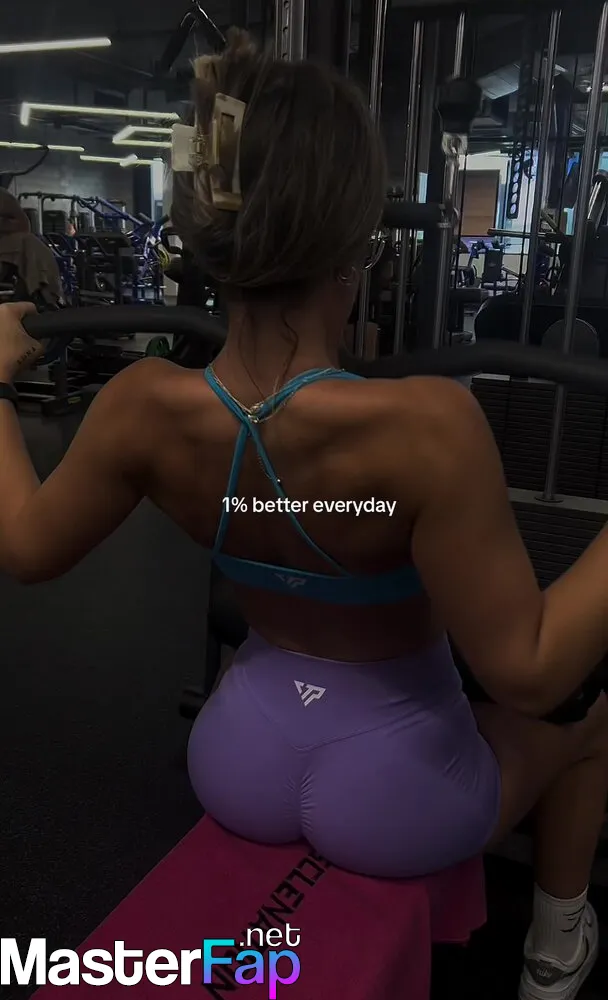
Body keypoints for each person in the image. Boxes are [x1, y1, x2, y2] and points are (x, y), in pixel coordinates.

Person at [0, 31, 606, 1000]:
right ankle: (554, 954)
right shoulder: (428, 427)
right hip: (397, 793)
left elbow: (27, 547)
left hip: (238, 757)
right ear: (357, 243)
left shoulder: (141, 405)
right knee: (587, 722)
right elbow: (529, 670)